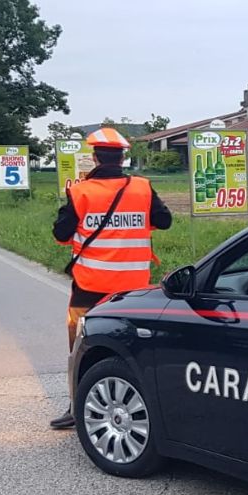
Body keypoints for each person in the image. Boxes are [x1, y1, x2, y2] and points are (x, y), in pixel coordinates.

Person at [48, 128, 173, 429]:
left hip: (90, 286)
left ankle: (78, 407)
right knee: (132, 346)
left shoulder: (80, 192)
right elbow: (164, 221)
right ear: (122, 157)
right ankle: (140, 404)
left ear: (93, 158)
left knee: (81, 346)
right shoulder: (142, 188)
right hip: (134, 287)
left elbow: (60, 234)